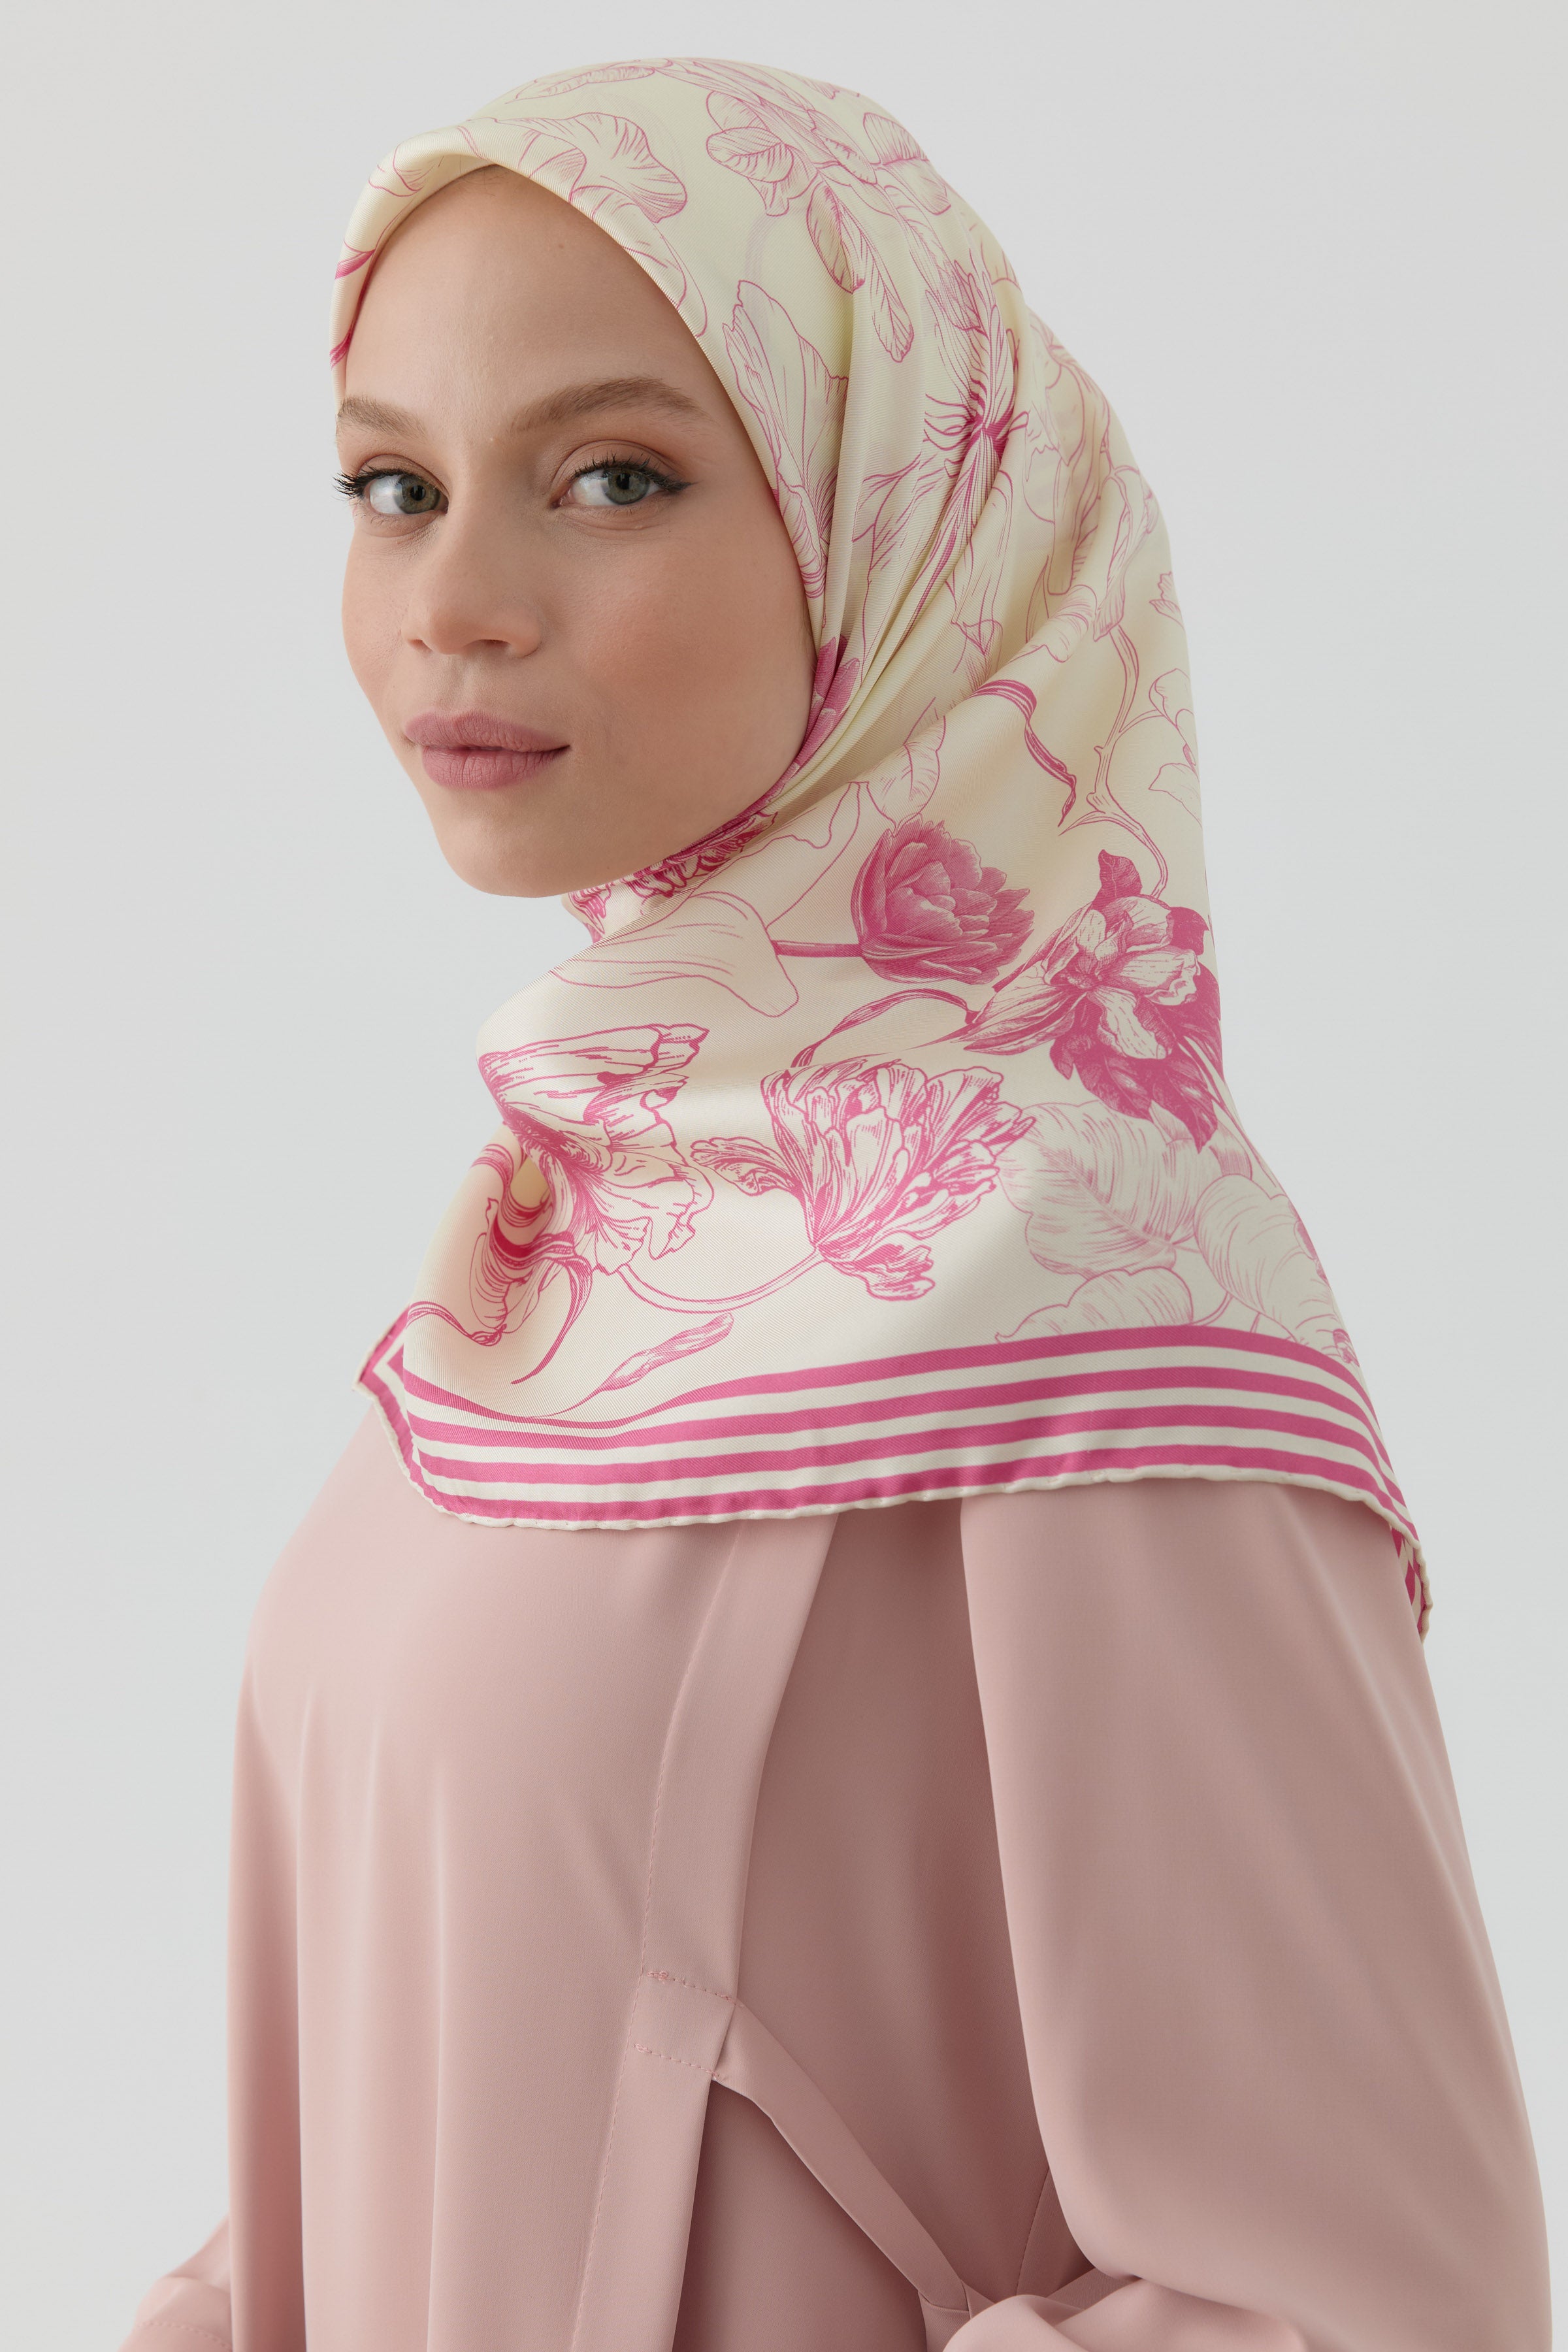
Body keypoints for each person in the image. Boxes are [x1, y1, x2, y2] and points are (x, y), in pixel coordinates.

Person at [118, 59, 1549, 2352]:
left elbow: (1381, 2303)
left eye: (615, 475)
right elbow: (473, 2065)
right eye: (394, 487)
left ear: (898, 519)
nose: (453, 601)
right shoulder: (553, 1243)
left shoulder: (1083, 1282)